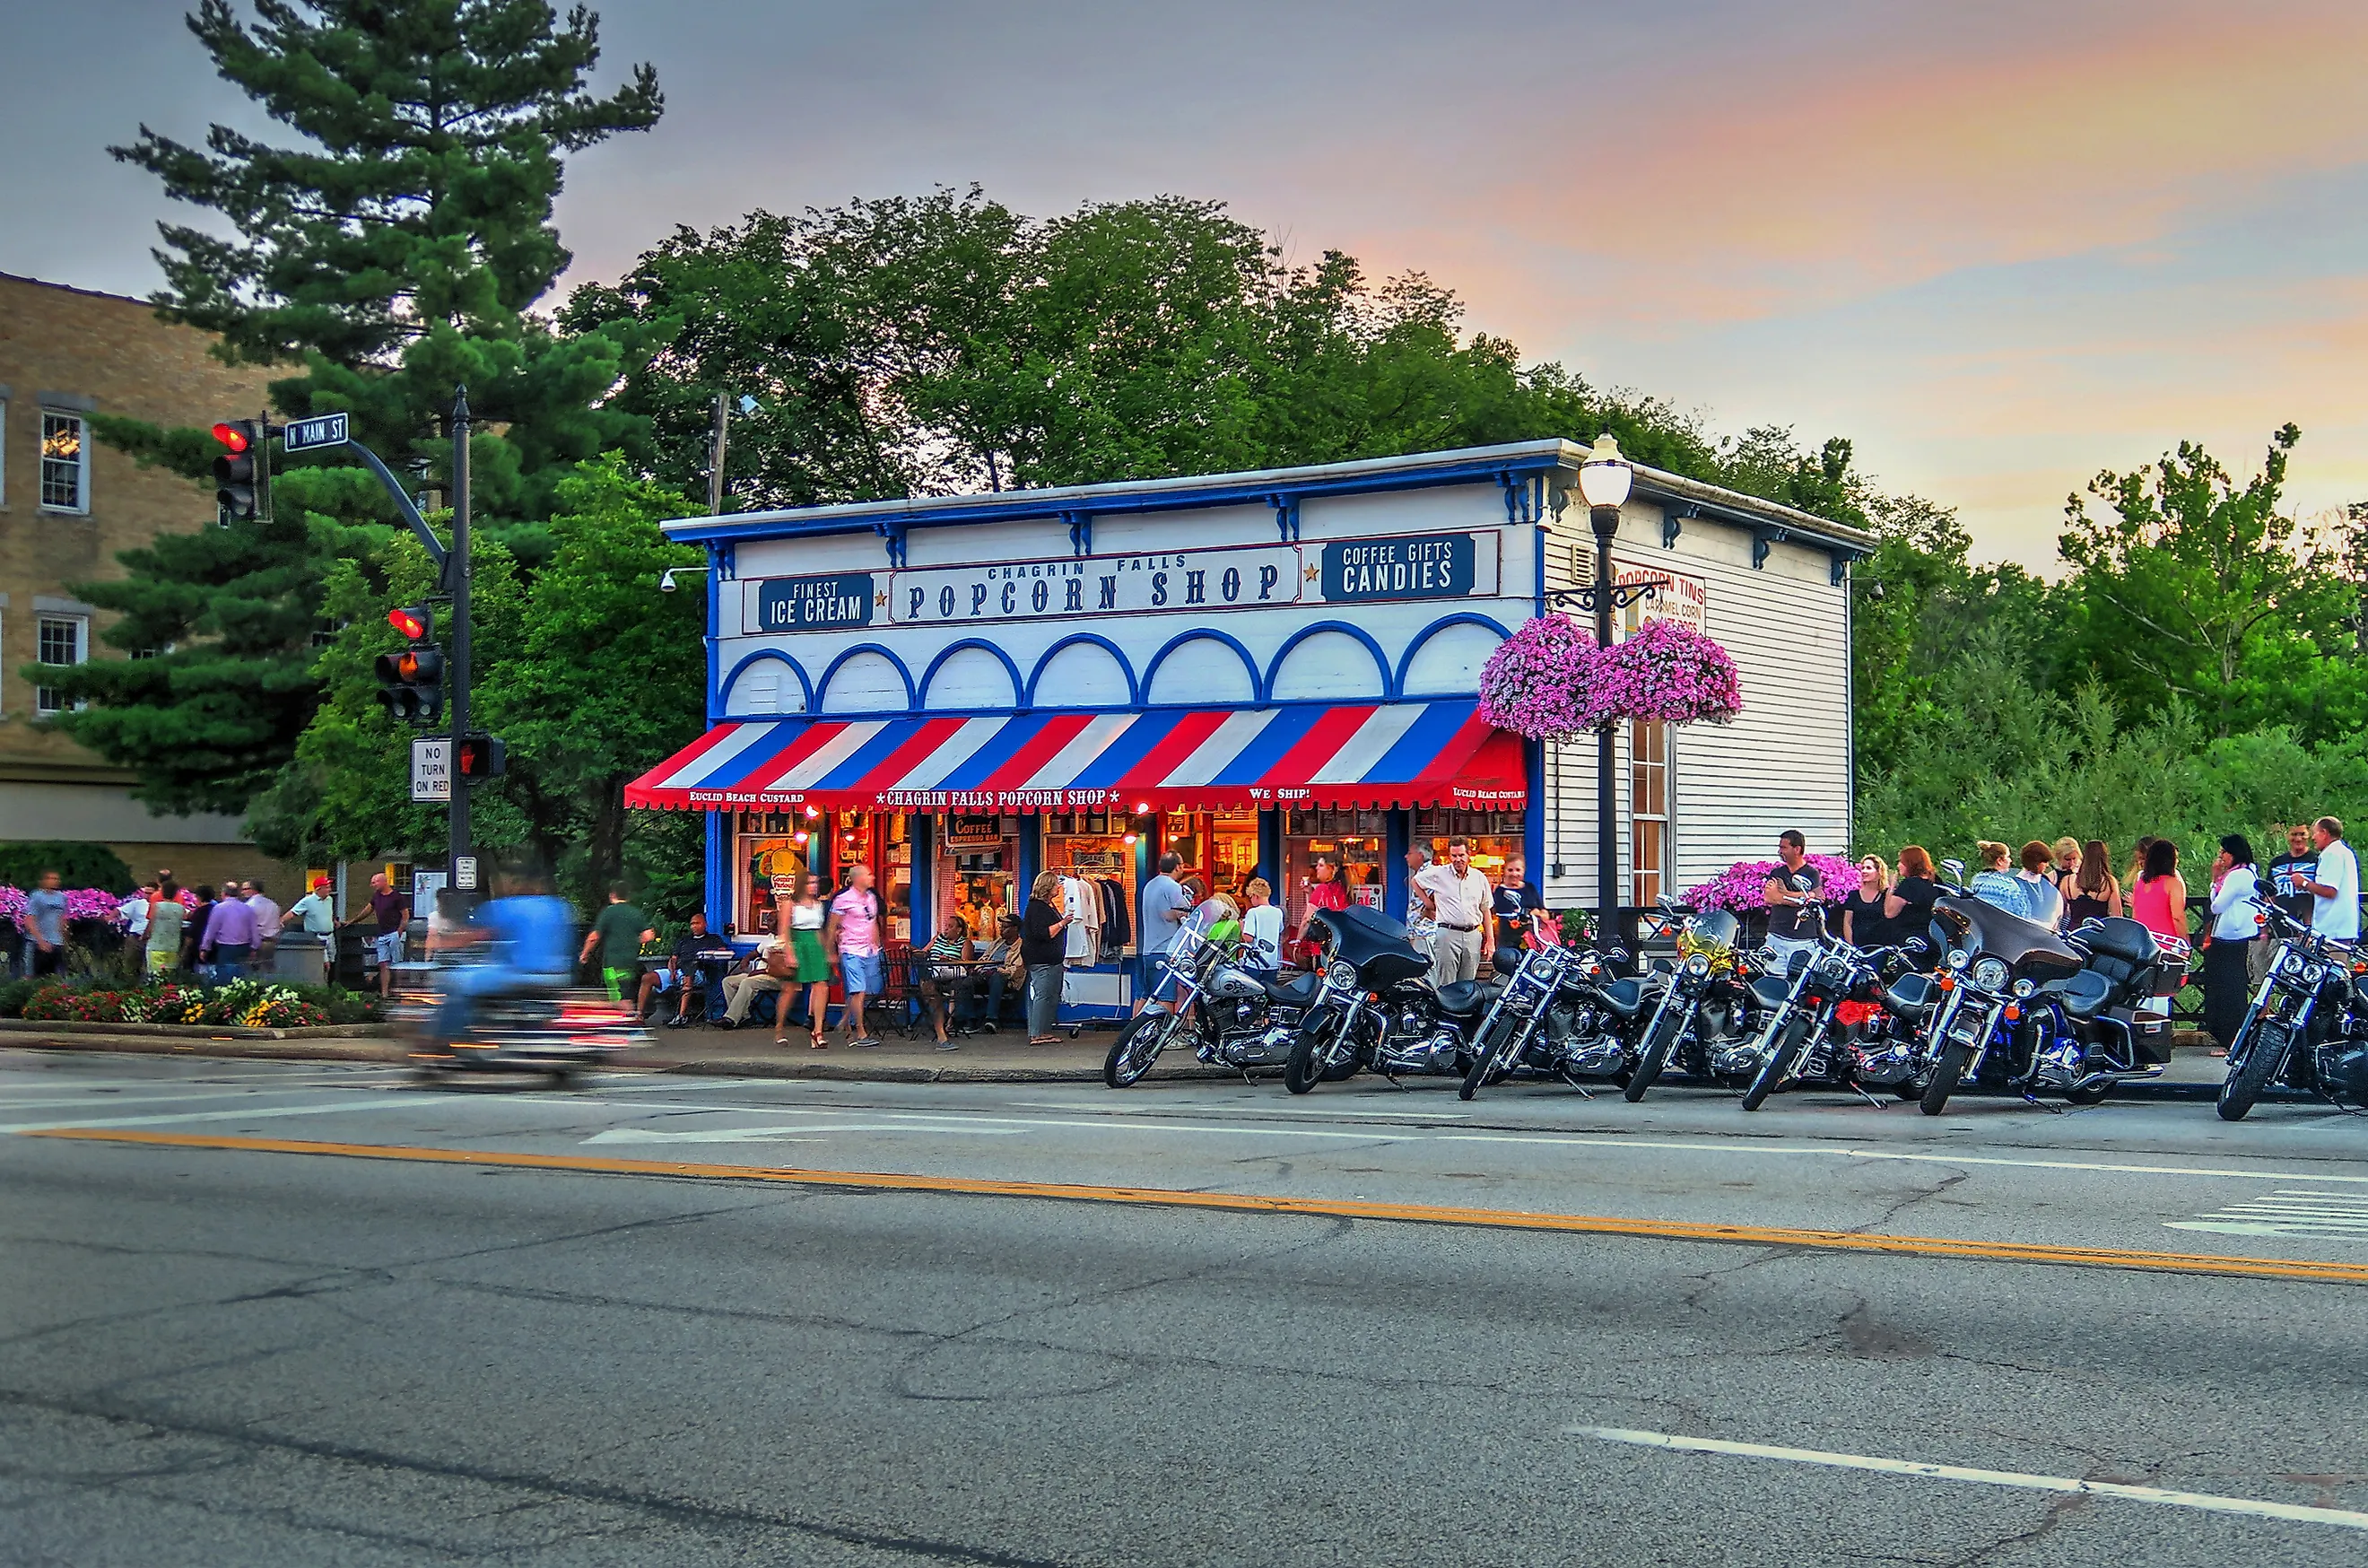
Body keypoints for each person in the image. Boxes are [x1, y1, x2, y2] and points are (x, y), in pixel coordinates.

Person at [431, 866, 576, 1047]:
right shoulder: (558, 906)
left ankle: (445, 1039)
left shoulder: (508, 906)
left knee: (456, 982)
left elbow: (479, 934)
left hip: (520, 973)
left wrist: (444, 943)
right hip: (557, 975)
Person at [2203, 835, 2260, 1053]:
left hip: (2232, 938)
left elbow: (2217, 906)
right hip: (2239, 936)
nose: (2221, 857)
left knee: (2230, 991)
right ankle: (2233, 1038)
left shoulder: (2237, 876)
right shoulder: (2249, 872)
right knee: (2232, 989)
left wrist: (2214, 881)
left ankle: (2233, 1040)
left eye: (2224, 852)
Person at [1413, 836, 1493, 985]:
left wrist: (1490, 941)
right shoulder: (1439, 874)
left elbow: (1486, 910)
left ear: (1469, 855)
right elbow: (1415, 881)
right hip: (1447, 935)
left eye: (1461, 855)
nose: (1458, 859)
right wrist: (1428, 903)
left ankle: (1466, 1010)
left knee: (1468, 985)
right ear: (1449, 856)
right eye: (1454, 856)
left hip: (1473, 935)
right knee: (1447, 983)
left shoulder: (1479, 877)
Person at [825, 864, 887, 1047]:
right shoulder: (842, 899)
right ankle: (860, 1031)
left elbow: (873, 920)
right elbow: (831, 926)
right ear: (858, 878)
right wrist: (830, 952)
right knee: (858, 990)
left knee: (871, 989)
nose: (872, 878)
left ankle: (845, 1019)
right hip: (851, 950)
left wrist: (877, 942)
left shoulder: (871, 898)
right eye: (868, 875)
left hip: (870, 950)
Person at [777, 872, 831, 1048]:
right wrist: (789, 953)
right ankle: (779, 1029)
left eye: (816, 882)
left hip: (815, 945)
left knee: (821, 985)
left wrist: (827, 951)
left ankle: (818, 1031)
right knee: (790, 989)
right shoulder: (790, 904)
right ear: (802, 884)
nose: (813, 886)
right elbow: (784, 930)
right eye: (809, 883)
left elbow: (819, 930)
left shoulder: (819, 905)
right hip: (797, 943)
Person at [580, 884, 655, 1012]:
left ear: (612, 895)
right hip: (630, 962)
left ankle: (627, 1025)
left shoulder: (609, 912)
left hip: (613, 963)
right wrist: (634, 942)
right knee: (626, 994)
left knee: (619, 1000)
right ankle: (628, 1021)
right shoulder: (635, 913)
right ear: (628, 896)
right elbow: (649, 935)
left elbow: (594, 937)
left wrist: (585, 953)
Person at [1136, 853, 1191, 1014]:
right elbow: (1181, 913)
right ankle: (1164, 1035)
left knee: (1147, 996)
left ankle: (1134, 1031)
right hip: (1166, 950)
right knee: (1166, 998)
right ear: (1178, 866)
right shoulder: (1172, 886)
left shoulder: (1149, 885)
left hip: (1148, 949)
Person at [1763, 830, 1824, 969]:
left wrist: (1781, 895)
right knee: (1774, 979)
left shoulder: (1811, 873)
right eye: (1779, 847)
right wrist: (1800, 896)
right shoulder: (1777, 872)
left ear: (1797, 849)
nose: (1779, 851)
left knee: (1800, 981)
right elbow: (1769, 898)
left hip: (1803, 939)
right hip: (1776, 936)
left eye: (1784, 848)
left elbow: (1815, 896)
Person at [1022, 869, 1070, 1045]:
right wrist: (1062, 923)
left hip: (1051, 959)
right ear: (1048, 887)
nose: (1059, 886)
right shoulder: (1037, 907)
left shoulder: (1047, 906)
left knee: (1050, 995)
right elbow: (1042, 933)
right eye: (1056, 883)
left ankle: (1043, 1030)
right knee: (1043, 995)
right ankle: (1036, 1033)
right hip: (1042, 959)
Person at [2295, 816, 2361, 942]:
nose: (2313, 838)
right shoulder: (2344, 852)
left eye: (2315, 833)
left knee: (2334, 961)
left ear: (2324, 833)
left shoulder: (2332, 854)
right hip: (2340, 929)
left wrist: (2303, 883)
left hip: (2333, 930)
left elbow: (2330, 891)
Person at [344, 872, 409, 997]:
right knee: (383, 964)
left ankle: (399, 990)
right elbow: (367, 910)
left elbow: (405, 915)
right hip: (382, 934)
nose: (372, 885)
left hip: (394, 933)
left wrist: (399, 931)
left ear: (384, 882)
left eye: (375, 882)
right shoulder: (377, 896)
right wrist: (352, 921)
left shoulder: (396, 897)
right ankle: (384, 993)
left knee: (396, 963)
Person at [918, 914, 976, 1050]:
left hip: (952, 975)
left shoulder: (965, 942)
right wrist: (911, 949)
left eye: (951, 927)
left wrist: (949, 960)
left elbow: (966, 964)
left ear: (959, 930)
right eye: (946, 926)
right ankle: (941, 1025)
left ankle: (947, 1022)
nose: (946, 929)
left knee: (955, 986)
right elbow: (923, 952)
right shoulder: (938, 938)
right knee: (927, 980)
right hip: (933, 972)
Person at [971, 913, 1024, 1032]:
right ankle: (967, 1020)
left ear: (1015, 929)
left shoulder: (1021, 946)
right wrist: (978, 969)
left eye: (1005, 927)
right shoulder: (997, 943)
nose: (1001, 929)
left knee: (997, 978)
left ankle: (991, 1020)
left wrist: (996, 970)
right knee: (965, 982)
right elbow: (984, 958)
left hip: (1006, 981)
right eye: (1001, 927)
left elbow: (1016, 970)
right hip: (985, 976)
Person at [2132, 838, 2189, 950]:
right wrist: (2184, 941)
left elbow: (2135, 914)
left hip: (2143, 942)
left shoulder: (2140, 882)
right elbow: (2177, 917)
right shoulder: (2172, 883)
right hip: (2167, 943)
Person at [1296, 852, 1350, 968]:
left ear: (1332, 869)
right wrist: (1309, 893)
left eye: (1321, 865)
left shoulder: (1322, 889)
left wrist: (1298, 942)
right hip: (1343, 947)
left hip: (1323, 949)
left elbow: (1308, 918)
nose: (1316, 868)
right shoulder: (1345, 889)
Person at [718, 936, 786, 1029]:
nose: (767, 924)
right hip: (760, 975)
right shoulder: (770, 937)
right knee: (728, 982)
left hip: (779, 978)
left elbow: (787, 968)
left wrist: (763, 971)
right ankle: (744, 1017)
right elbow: (755, 952)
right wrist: (746, 958)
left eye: (771, 921)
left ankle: (731, 1019)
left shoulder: (789, 939)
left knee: (748, 982)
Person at [1884, 846, 1941, 945]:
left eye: (1901, 862)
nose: (1898, 866)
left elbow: (1889, 912)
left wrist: (1891, 887)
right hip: (1934, 937)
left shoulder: (1909, 884)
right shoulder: (1936, 881)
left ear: (1910, 863)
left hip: (1911, 939)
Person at [2266, 823, 2319, 926]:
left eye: (2302, 834)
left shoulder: (2316, 860)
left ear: (2309, 835)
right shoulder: (2277, 863)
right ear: (2287, 836)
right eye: (2294, 834)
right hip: (2281, 924)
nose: (2298, 839)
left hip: (2309, 924)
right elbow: (2269, 897)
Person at [1493, 854, 1545, 953]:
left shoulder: (1530, 888)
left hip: (1532, 940)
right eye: (1510, 870)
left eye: (1518, 870)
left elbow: (1544, 913)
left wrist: (1537, 913)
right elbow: (1504, 912)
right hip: (1508, 942)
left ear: (1523, 870)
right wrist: (1531, 912)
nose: (1514, 874)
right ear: (1505, 871)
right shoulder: (1500, 892)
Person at [21, 869, 67, 979]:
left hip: (56, 942)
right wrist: (40, 940)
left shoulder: (62, 898)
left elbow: (63, 918)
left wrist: (64, 938)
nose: (54, 881)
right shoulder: (37, 896)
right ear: (43, 881)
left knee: (55, 978)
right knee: (33, 977)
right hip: (37, 943)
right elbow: (29, 919)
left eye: (56, 879)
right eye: (50, 878)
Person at [1840, 856, 1894, 949]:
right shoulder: (1854, 895)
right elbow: (1847, 922)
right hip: (1857, 948)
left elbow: (1889, 914)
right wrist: (1850, 946)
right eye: (1863, 868)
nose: (1864, 871)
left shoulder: (1885, 894)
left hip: (1879, 949)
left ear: (1878, 872)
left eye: (1868, 868)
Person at [2065, 840, 2122, 926]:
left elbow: (2061, 912)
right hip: (2098, 934)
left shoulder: (2067, 881)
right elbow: (2117, 917)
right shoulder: (2108, 882)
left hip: (2074, 934)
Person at [1968, 841, 2030, 921]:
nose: (2010, 860)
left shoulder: (1977, 879)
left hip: (1980, 924)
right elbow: (2023, 916)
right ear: (1999, 861)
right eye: (2008, 857)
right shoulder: (2010, 885)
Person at [1239, 878, 1284, 973]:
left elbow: (1249, 938)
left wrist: (1242, 926)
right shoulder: (1278, 912)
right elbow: (1280, 931)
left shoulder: (1253, 912)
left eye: (1251, 897)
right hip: (1272, 963)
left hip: (1254, 963)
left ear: (1255, 896)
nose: (1251, 900)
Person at [2016, 841, 2063, 929]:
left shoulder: (2046, 882)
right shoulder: (2016, 885)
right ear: (2035, 862)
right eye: (2044, 861)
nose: (2047, 865)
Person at [144, 878, 185, 978]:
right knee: (169, 976)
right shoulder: (181, 909)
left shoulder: (156, 906)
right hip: (173, 946)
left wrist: (145, 935)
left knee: (155, 975)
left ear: (162, 892)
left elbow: (151, 923)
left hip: (156, 945)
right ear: (176, 893)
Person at [181, 885, 217, 977]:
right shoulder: (215, 909)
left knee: (197, 972)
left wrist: (186, 947)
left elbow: (193, 931)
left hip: (199, 946)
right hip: (214, 944)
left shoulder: (200, 912)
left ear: (199, 897)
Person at [244, 880, 282, 965]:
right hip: (272, 943)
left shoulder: (249, 906)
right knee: (269, 969)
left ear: (253, 890)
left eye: (245, 889)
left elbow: (247, 927)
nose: (242, 892)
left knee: (253, 972)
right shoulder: (273, 905)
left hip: (256, 944)